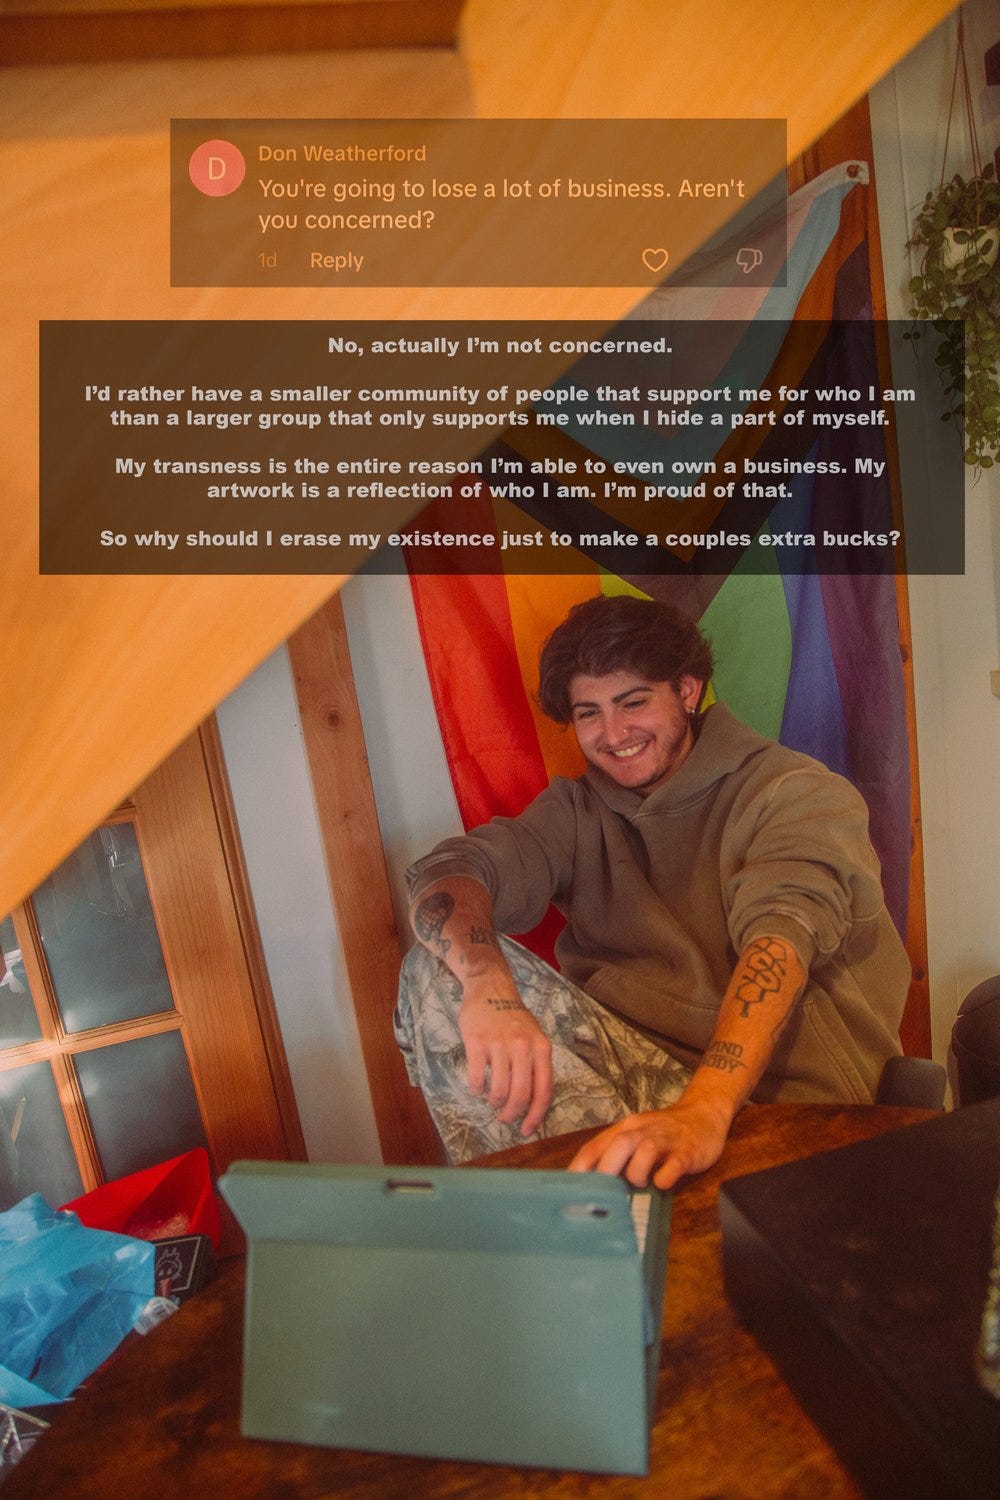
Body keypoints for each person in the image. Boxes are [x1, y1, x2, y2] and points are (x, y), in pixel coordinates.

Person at [394, 594, 910, 1189]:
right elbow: (452, 871)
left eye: (633, 702)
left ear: (687, 691)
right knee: (437, 969)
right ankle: (568, 1213)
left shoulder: (793, 790)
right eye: (589, 713)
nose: (613, 734)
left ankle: (590, 1213)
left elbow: (780, 942)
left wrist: (704, 1109)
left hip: (770, 1099)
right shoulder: (576, 810)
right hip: (632, 1078)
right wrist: (487, 983)